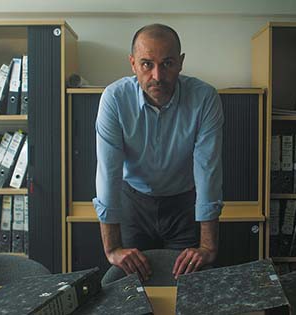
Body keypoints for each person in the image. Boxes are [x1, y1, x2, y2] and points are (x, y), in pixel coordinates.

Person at [93, 23, 223, 281]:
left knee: (188, 286)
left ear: (181, 63)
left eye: (167, 64)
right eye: (146, 64)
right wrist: (112, 249)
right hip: (133, 204)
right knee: (130, 290)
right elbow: (108, 173)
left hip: (184, 204)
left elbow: (208, 170)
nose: (157, 76)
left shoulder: (205, 98)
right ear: (132, 63)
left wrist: (208, 247)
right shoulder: (114, 99)